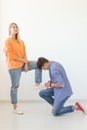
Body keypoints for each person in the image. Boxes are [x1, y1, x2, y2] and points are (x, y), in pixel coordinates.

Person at [3, 22, 42, 114]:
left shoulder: (21, 41)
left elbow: (24, 54)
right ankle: (15, 108)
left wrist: (26, 64)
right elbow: (11, 56)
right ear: (10, 29)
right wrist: (24, 61)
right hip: (13, 66)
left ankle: (37, 84)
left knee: (38, 63)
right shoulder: (7, 41)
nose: (15, 28)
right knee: (15, 86)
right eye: (13, 27)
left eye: (16, 27)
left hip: (22, 64)